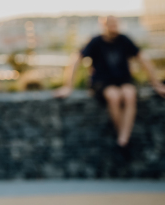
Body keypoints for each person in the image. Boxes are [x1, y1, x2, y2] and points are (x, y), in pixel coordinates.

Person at [54, 16, 165, 149]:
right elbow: (76, 60)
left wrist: (157, 84)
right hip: (102, 82)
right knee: (114, 96)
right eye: (110, 24)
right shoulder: (96, 41)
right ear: (103, 26)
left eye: (115, 23)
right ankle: (123, 139)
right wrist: (68, 86)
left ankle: (123, 137)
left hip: (123, 80)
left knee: (130, 94)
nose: (113, 27)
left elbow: (143, 60)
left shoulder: (124, 39)